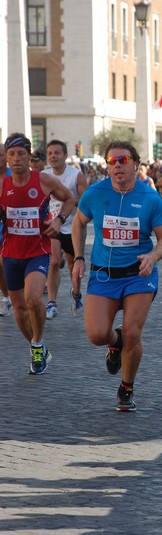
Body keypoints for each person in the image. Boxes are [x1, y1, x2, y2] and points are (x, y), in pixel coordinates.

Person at [71, 140, 162, 411]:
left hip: (139, 275)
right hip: (104, 274)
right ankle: (115, 344)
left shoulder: (150, 198)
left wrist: (153, 256)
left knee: (133, 331)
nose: (117, 165)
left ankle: (126, 387)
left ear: (136, 164)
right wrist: (79, 258)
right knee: (97, 334)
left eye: (123, 160)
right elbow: (78, 223)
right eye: (112, 161)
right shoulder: (95, 193)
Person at [0, 132, 75, 374]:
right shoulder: (2, 184)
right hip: (11, 254)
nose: (16, 159)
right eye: (11, 154)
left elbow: (69, 198)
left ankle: (38, 341)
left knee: (33, 298)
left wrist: (59, 220)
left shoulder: (42, 180)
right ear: (7, 158)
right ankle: (37, 348)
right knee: (19, 309)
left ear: (29, 156)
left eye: (21, 154)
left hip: (38, 251)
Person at [45, 139, 88, 319]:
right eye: (50, 153)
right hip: (52, 225)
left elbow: (85, 201)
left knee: (73, 265)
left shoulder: (75, 175)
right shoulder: (44, 175)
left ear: (64, 155)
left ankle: (76, 294)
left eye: (57, 153)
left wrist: (67, 200)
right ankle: (51, 303)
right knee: (54, 261)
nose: (53, 156)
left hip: (73, 227)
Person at [0, 143, 12, 317]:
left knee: (4, 262)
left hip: (12, 229)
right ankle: (6, 297)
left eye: (1, 154)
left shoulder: (14, 175)